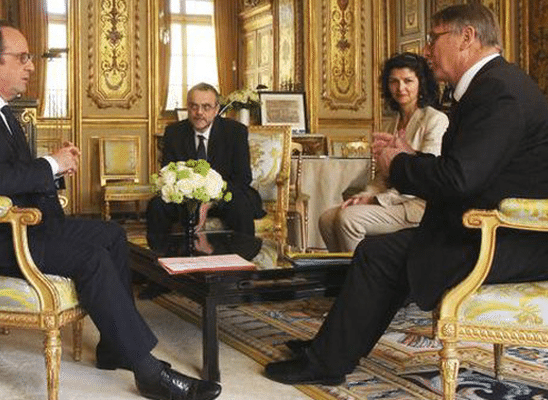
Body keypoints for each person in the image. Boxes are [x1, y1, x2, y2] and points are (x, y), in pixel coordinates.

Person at [264, 3, 548, 386]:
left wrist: (398, 165)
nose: (428, 50)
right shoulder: (495, 84)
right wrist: (411, 158)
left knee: (381, 255)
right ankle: (330, 349)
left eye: (434, 38)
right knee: (383, 253)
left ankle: (327, 361)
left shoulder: (499, 92)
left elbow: (460, 178)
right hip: (488, 231)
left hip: (507, 239)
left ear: (467, 38)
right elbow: (469, 172)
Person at [0, 20, 221, 400]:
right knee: (91, 258)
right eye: (22, 57)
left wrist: (55, 168)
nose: (30, 66)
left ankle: (115, 346)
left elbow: (12, 174)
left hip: (27, 225)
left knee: (111, 235)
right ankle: (148, 372)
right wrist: (51, 165)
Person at [319, 53, 448, 253]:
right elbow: (382, 176)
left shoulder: (435, 120)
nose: (400, 88)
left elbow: (427, 176)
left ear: (421, 84)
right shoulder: (390, 124)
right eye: (394, 82)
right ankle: (344, 279)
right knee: (327, 219)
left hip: (418, 205)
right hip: (391, 200)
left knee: (348, 220)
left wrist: (376, 200)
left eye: (408, 81)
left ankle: (363, 279)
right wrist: (365, 195)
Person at [145, 82, 265, 239]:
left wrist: (208, 204)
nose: (199, 112)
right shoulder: (174, 132)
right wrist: (192, 203)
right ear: (187, 107)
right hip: (185, 198)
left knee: (241, 204)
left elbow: (243, 178)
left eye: (206, 107)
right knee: (156, 205)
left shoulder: (235, 132)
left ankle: (242, 256)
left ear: (216, 110)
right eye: (193, 106)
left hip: (225, 196)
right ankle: (162, 256)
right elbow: (169, 174)